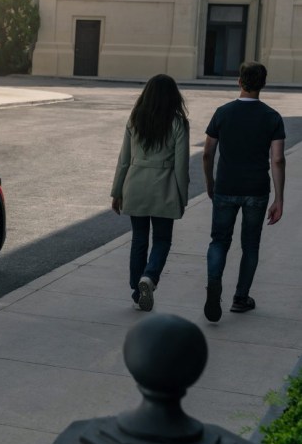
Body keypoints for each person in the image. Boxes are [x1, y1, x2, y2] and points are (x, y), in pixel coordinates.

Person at [203, 61, 285, 322]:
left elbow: (207, 153)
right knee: (250, 244)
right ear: (263, 84)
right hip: (256, 190)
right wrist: (279, 198)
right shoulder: (272, 117)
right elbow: (278, 159)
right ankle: (241, 297)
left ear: (239, 82)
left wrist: (210, 183)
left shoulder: (222, 113)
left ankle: (214, 285)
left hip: (226, 186)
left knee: (219, 240)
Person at [111, 74, 190, 311]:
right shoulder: (177, 122)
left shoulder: (135, 119)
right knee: (163, 239)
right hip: (164, 188)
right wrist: (182, 196)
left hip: (135, 185)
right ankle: (150, 277)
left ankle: (137, 290)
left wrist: (116, 191)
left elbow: (124, 159)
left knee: (139, 238)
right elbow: (181, 165)